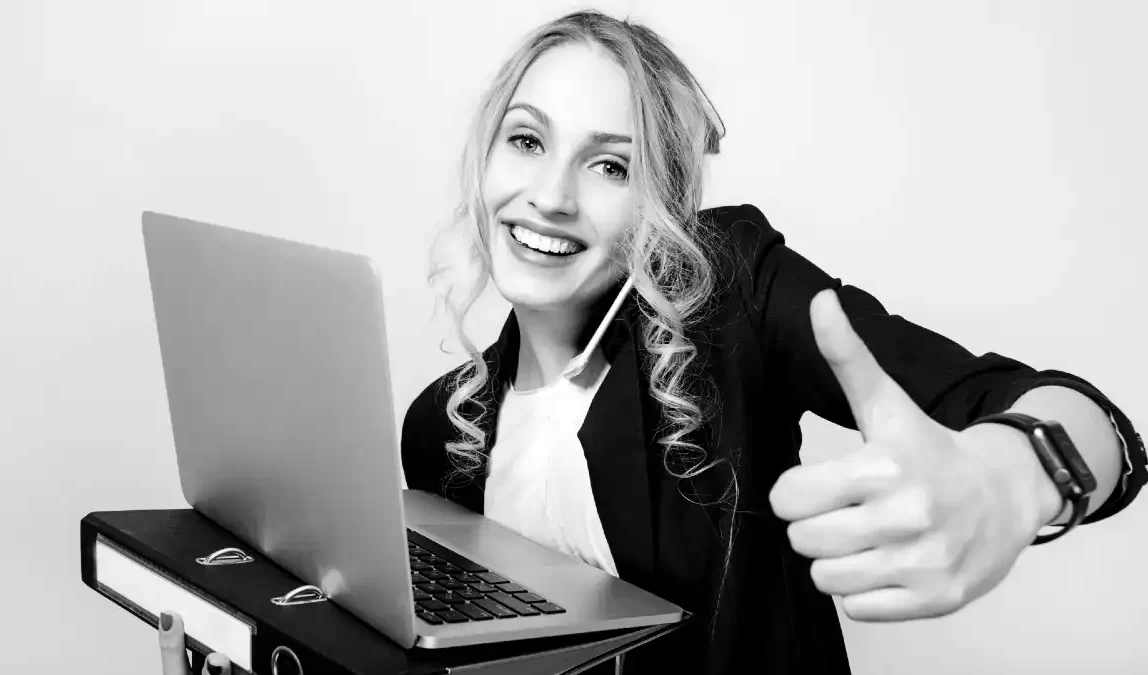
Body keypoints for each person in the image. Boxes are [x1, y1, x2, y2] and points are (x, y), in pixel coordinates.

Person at [157, 10, 1145, 675]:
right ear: (485, 158)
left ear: (660, 204)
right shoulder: (439, 428)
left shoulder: (735, 299)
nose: (549, 195)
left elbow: (1091, 422)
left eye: (610, 165)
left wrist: (1018, 477)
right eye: (528, 140)